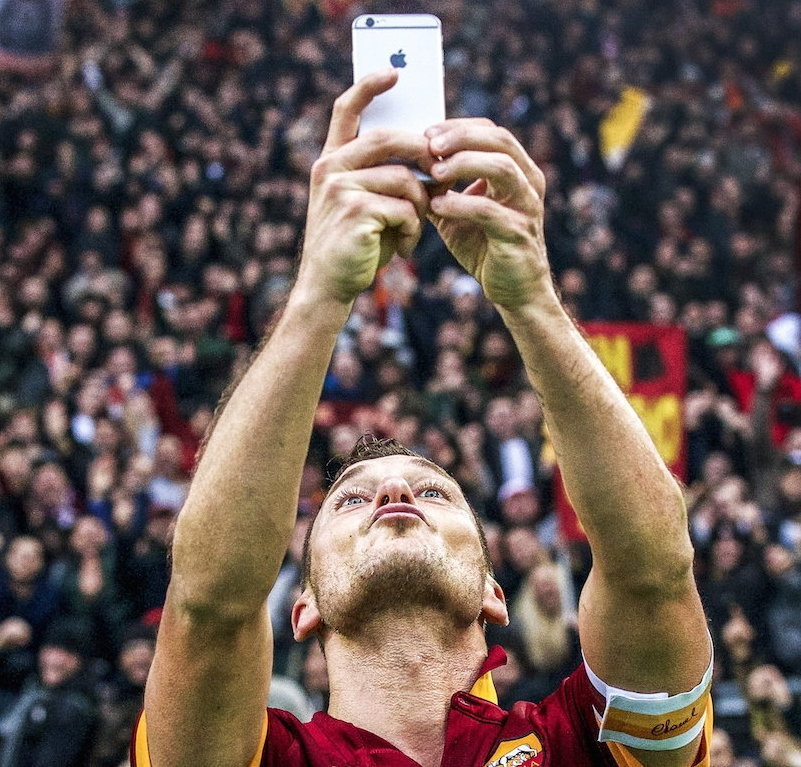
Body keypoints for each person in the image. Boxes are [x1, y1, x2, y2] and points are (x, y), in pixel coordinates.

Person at [132, 70, 713, 767]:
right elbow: (209, 603)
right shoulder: (268, 757)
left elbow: (652, 566)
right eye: (348, 499)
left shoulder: (578, 743)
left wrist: (530, 297)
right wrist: (319, 289)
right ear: (303, 603)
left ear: (494, 592)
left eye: (434, 490)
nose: (393, 494)